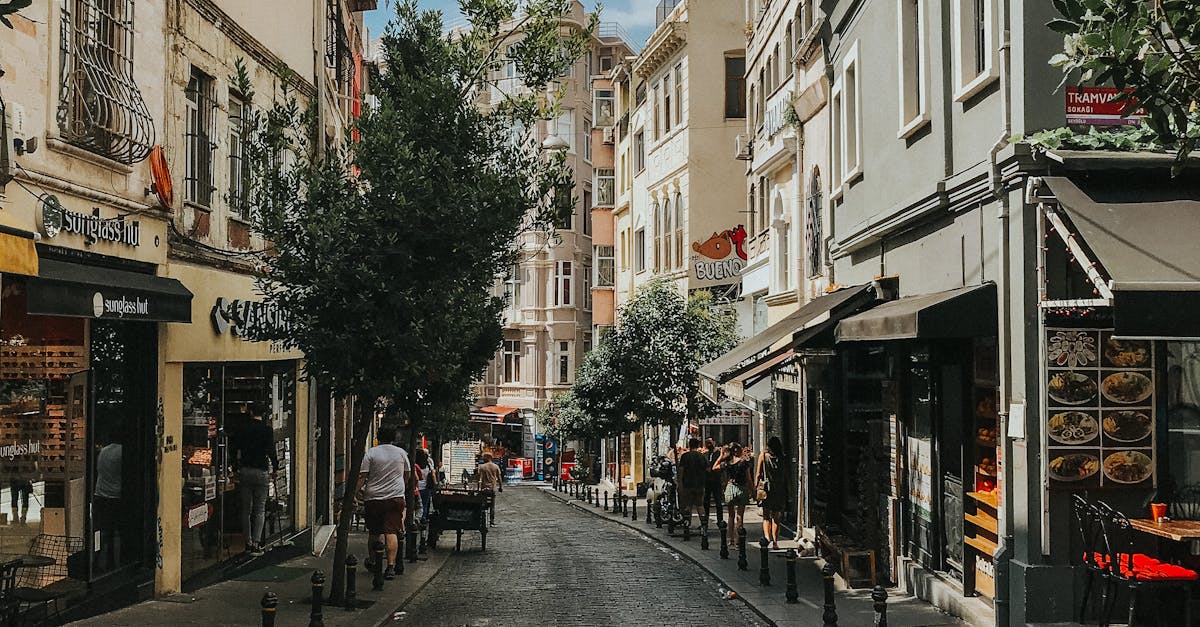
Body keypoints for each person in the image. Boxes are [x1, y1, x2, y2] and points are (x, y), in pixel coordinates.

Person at [358, 425, 411, 579]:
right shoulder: (401, 453)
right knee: (391, 532)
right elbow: (407, 474)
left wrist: (354, 493)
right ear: (394, 438)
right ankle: (390, 566)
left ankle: (374, 562)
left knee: (374, 533)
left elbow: (362, 476)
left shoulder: (371, 453)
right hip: (395, 497)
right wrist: (402, 487)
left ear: (378, 438)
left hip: (374, 497)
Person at [233, 410, 278, 557]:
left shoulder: (243, 429)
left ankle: (247, 542)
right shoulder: (266, 430)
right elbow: (271, 450)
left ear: (251, 413)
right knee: (260, 509)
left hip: (245, 470)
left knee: (246, 509)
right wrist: (275, 467)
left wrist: (234, 468)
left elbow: (235, 449)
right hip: (261, 471)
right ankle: (257, 543)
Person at [714, 442, 753, 544]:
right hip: (741, 489)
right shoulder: (744, 463)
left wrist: (721, 456)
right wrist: (753, 491)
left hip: (730, 488)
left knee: (731, 515)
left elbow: (714, 467)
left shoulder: (727, 463)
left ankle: (730, 539)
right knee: (740, 516)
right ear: (739, 451)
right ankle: (738, 540)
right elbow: (749, 479)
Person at [756, 436, 788, 549]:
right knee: (776, 516)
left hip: (766, 489)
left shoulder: (763, 456)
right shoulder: (782, 457)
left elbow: (758, 473)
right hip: (778, 488)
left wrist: (756, 487)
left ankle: (767, 537)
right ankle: (775, 541)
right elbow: (785, 474)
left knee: (766, 515)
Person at [676, 438, 708, 529]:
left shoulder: (685, 456)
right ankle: (703, 524)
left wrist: (680, 482)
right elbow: (707, 469)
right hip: (700, 484)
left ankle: (687, 524)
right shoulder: (702, 456)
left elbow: (681, 470)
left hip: (687, 484)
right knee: (700, 505)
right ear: (698, 446)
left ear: (689, 445)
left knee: (688, 505)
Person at [703, 438, 724, 525]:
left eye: (710, 443)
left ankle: (720, 521)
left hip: (716, 480)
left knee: (718, 501)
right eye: (707, 443)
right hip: (707, 481)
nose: (709, 445)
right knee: (706, 502)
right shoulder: (705, 454)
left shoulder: (718, 454)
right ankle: (705, 521)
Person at [412, 448, 437, 523]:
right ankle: (423, 518)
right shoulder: (428, 464)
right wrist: (435, 483)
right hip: (426, 488)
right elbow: (433, 474)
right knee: (424, 504)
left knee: (414, 505)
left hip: (416, 488)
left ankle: (415, 519)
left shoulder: (414, 465)